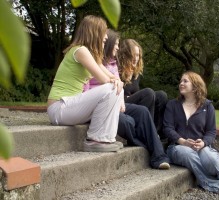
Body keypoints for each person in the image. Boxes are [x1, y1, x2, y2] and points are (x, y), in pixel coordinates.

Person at [83, 30, 170, 169]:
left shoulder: (113, 65)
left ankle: (158, 154)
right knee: (142, 102)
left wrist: (121, 97)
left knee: (154, 99)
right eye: (115, 44)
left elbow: (117, 86)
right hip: (102, 106)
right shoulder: (97, 63)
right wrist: (121, 95)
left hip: (118, 104)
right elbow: (100, 87)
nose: (117, 48)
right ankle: (152, 141)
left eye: (138, 55)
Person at [47, 15, 124, 152]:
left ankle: (107, 138)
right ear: (94, 33)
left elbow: (111, 76)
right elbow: (104, 80)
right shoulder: (80, 50)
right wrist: (116, 82)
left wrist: (118, 81)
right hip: (59, 108)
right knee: (113, 88)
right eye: (103, 33)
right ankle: (96, 140)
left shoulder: (91, 54)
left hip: (70, 106)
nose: (106, 37)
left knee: (117, 88)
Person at [163, 71, 219, 193]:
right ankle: (213, 184)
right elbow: (167, 128)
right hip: (177, 147)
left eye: (185, 81)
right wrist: (182, 141)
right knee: (188, 153)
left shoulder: (207, 106)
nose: (181, 83)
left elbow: (211, 131)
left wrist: (203, 143)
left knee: (211, 160)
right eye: (181, 81)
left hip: (201, 147)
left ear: (195, 86)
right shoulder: (172, 105)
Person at [117, 39, 168, 138]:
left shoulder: (135, 72)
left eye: (137, 55)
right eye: (133, 55)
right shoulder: (116, 69)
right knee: (148, 93)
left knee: (161, 95)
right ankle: (149, 132)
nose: (135, 58)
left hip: (131, 101)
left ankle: (157, 132)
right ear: (125, 55)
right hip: (120, 103)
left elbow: (134, 93)